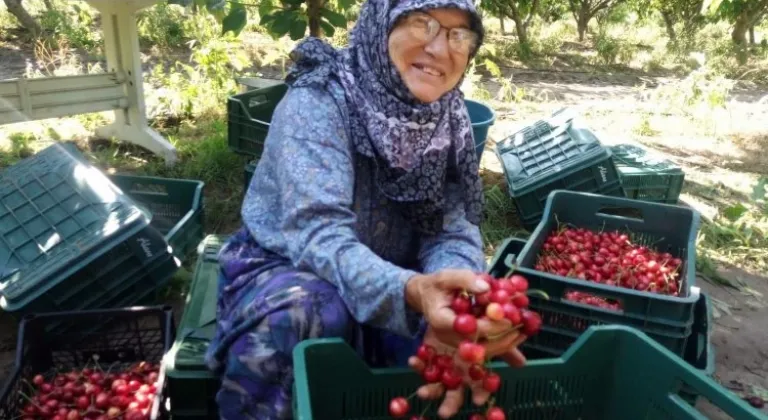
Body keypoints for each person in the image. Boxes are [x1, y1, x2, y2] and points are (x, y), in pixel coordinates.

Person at [205, 0, 527, 417]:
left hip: (401, 281)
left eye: (458, 34)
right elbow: (318, 234)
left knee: (460, 339)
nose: (441, 48)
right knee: (308, 313)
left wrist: (456, 300)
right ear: (382, 24)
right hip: (290, 268)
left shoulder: (448, 118)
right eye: (421, 23)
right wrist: (409, 292)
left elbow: (450, 230)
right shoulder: (320, 100)